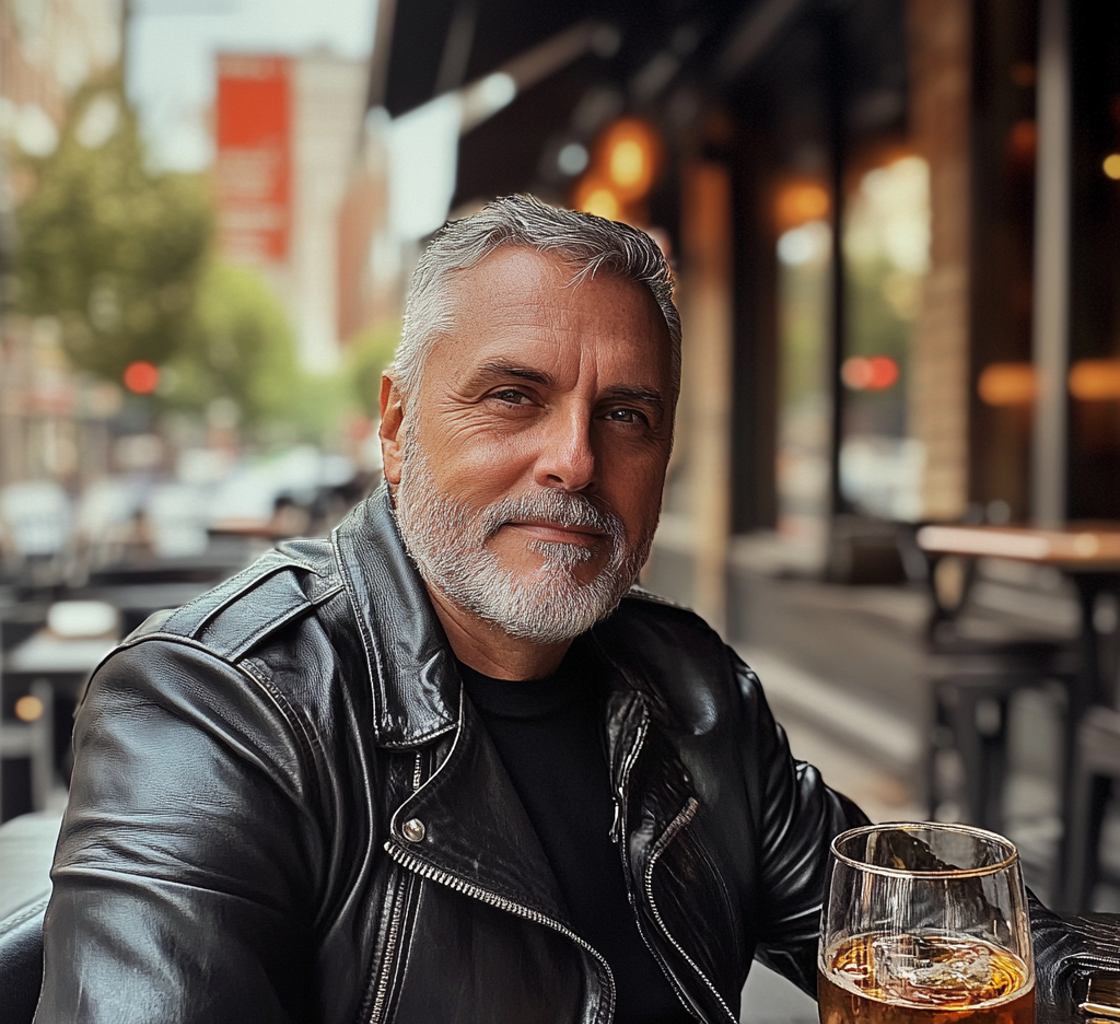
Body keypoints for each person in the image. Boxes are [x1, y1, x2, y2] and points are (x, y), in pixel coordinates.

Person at [34, 196, 1117, 1023]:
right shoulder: (210, 706)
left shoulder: (692, 688)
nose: (575, 459)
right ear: (396, 422)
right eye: (514, 395)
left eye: (627, 414)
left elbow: (916, 923)